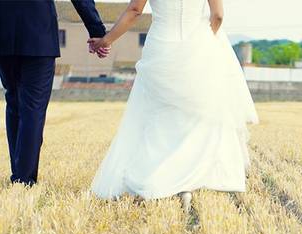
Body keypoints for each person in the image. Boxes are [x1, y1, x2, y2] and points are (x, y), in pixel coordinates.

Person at [88, 0, 258, 209]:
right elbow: (218, 16)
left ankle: (161, 178)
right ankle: (187, 181)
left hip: (161, 46)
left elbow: (134, 11)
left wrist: (106, 40)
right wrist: (204, 42)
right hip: (198, 47)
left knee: (158, 117)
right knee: (194, 116)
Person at [0, 0, 109, 186]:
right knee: (33, 108)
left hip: (4, 36)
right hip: (40, 37)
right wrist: (96, 30)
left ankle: (19, 173)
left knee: (14, 103)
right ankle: (23, 178)